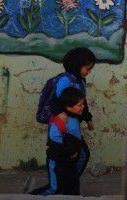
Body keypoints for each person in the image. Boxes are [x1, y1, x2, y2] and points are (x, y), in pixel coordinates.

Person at [29, 87, 87, 195]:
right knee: (53, 189)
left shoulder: (74, 117)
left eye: (82, 104)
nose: (83, 107)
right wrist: (69, 152)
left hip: (69, 162)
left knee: (72, 187)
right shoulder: (60, 120)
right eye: (80, 105)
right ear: (68, 106)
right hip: (57, 162)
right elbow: (55, 142)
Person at [51, 47, 96, 176]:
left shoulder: (80, 81)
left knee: (79, 155)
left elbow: (83, 102)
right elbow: (55, 100)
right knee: (81, 155)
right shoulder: (66, 81)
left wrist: (88, 118)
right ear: (77, 65)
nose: (88, 72)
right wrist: (59, 111)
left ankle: (69, 183)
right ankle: (68, 183)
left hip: (73, 126)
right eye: (87, 68)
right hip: (64, 128)